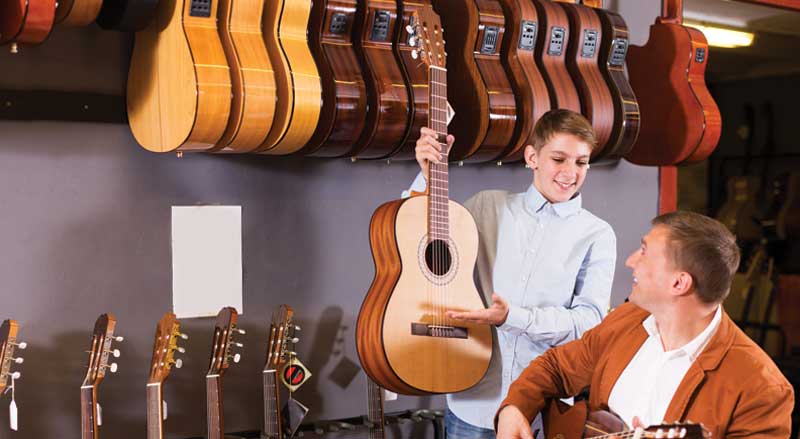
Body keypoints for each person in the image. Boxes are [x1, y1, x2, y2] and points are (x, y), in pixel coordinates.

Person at [404, 109, 617, 438]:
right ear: (532, 156)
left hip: (543, 411)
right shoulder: (487, 206)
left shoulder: (598, 234)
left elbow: (589, 323)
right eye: (559, 158)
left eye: (581, 162)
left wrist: (512, 317)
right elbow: (419, 241)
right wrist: (426, 176)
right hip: (472, 402)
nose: (570, 173)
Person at [495, 211, 794, 439]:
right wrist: (514, 408)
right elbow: (556, 368)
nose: (630, 261)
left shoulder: (762, 389)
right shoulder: (629, 319)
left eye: (644, 251)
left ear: (679, 282)